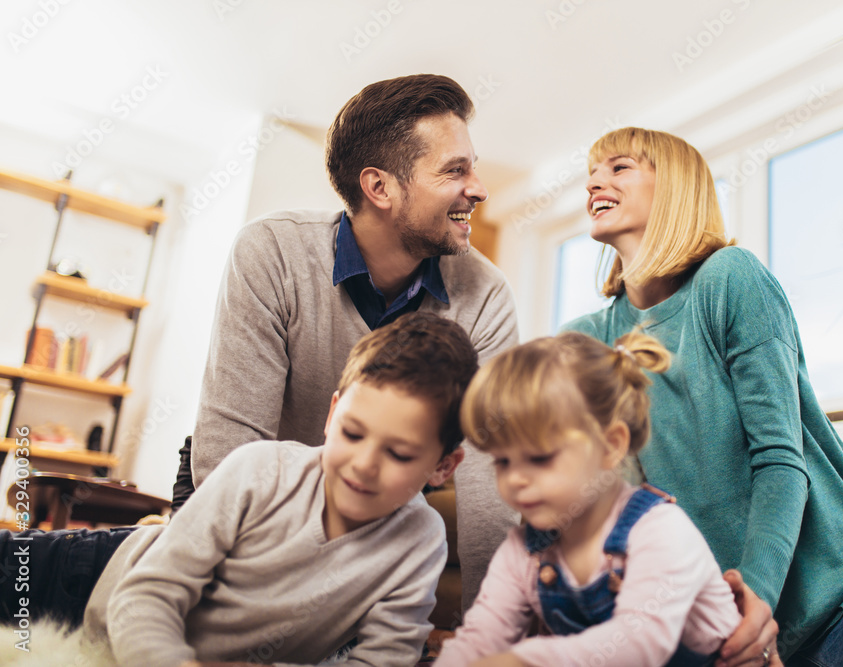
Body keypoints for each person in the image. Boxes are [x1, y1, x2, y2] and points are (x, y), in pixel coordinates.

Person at [564, 126, 843, 666]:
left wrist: (756, 597)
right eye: (592, 172)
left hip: (842, 586)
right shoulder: (586, 339)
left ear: (674, 187)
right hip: (724, 622)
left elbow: (779, 458)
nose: (595, 180)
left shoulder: (728, 279)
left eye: (618, 167)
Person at [172, 74, 519, 610]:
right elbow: (232, 459)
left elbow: (488, 478)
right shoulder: (273, 251)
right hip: (245, 491)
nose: (479, 187)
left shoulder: (486, 293)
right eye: (456, 170)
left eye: (471, 166)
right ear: (379, 188)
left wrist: (489, 634)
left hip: (380, 511)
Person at [0, 312, 477, 666]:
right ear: (332, 416)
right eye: (353, 433)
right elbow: (147, 596)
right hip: (100, 575)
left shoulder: (421, 539)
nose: (364, 464)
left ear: (442, 466)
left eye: (398, 454)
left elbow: (384, 659)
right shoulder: (260, 469)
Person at [436, 331, 749, 667]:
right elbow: (478, 640)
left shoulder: (661, 531)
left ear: (610, 445)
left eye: (539, 458)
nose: (514, 479)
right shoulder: (522, 552)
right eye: (502, 461)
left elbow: (637, 645)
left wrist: (522, 661)